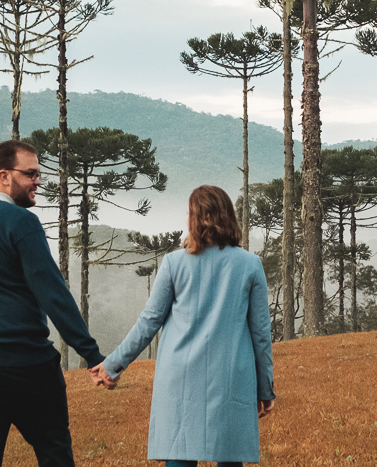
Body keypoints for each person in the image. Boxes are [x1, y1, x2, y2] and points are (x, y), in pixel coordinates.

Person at [0, 139, 109, 467]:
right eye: (30, 174)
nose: (38, 181)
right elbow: (52, 293)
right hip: (20, 362)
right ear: (3, 176)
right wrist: (92, 354)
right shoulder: (21, 222)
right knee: (54, 451)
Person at [97, 185, 276, 467]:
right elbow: (261, 335)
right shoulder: (251, 265)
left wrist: (113, 365)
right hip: (231, 377)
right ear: (229, 216)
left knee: (180, 453)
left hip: (179, 379)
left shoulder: (173, 263)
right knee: (229, 456)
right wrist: (265, 390)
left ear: (193, 219)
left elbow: (149, 321)